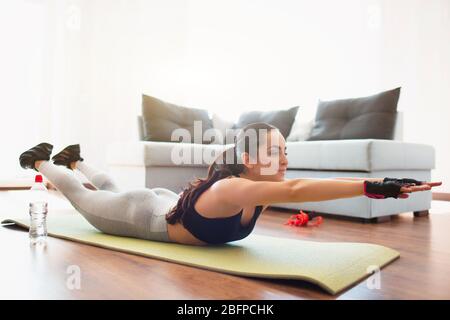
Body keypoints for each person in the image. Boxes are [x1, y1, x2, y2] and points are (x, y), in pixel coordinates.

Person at [19, 122, 442, 246]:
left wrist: (378, 186)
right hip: (139, 216)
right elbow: (296, 191)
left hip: (165, 202)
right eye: (277, 152)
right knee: (81, 196)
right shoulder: (237, 188)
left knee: (110, 184)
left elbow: (296, 187)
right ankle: (40, 160)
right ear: (252, 160)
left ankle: (75, 158)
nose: (286, 159)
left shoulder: (249, 181)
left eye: (286, 150)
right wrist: (375, 186)